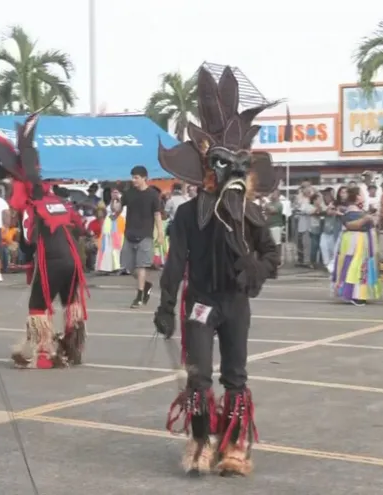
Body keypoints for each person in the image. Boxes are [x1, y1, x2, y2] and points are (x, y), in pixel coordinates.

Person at [153, 66, 280, 477]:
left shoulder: (251, 213)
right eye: (224, 165)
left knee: (236, 377)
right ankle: (201, 442)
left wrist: (252, 269)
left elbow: (271, 256)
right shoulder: (190, 214)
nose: (232, 175)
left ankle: (235, 447)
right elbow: (175, 262)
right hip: (201, 302)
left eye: (239, 166)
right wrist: (166, 304)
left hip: (236, 302)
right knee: (199, 378)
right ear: (207, 170)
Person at [0, 112, 89, 369]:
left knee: (38, 307)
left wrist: (26, 247)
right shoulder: (56, 200)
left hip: (53, 263)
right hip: (73, 260)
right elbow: (79, 227)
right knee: (71, 304)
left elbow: (28, 242)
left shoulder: (30, 208)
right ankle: (73, 350)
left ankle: (44, 355)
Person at [121, 165, 164, 308]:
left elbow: (157, 215)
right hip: (129, 234)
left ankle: (139, 297)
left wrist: (160, 233)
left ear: (144, 178)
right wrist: (115, 205)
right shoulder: (128, 193)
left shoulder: (152, 195)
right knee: (129, 266)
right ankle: (145, 285)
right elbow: (118, 210)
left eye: (136, 177)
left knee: (141, 267)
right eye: (132, 177)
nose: (134, 180)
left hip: (145, 235)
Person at [332, 187, 381, 306]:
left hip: (363, 240)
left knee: (362, 266)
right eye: (361, 194)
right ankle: (354, 293)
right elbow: (350, 225)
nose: (364, 196)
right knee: (355, 266)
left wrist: (374, 217)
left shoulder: (360, 210)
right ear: (357, 197)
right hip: (355, 241)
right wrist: (366, 219)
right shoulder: (351, 211)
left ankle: (360, 293)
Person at [320, 188, 344, 275]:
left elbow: (331, 212)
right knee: (323, 248)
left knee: (333, 251)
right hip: (325, 231)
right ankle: (328, 267)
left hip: (334, 232)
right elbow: (327, 212)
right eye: (324, 195)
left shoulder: (336, 204)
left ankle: (334, 269)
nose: (325, 197)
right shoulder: (324, 204)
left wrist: (334, 210)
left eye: (327, 195)